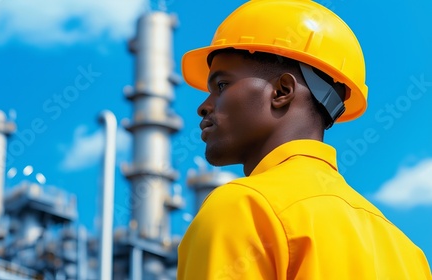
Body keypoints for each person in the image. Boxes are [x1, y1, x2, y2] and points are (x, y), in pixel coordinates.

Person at [177, 0, 432, 279]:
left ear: (281, 91)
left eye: (222, 85)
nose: (203, 106)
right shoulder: (407, 253)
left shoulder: (244, 207)